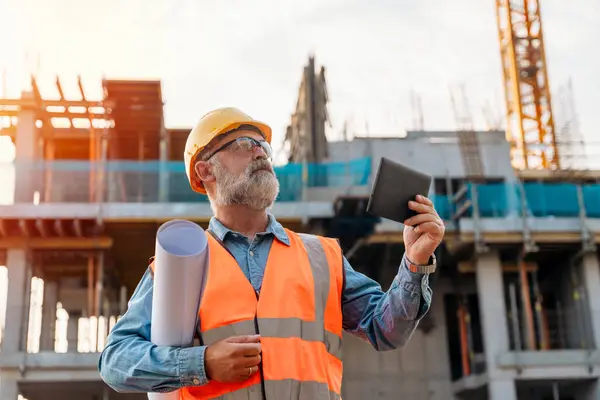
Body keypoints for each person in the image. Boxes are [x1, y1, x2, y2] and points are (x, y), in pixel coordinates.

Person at [98, 107, 445, 399]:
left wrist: (414, 263)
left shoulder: (322, 256)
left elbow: (387, 330)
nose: (261, 152)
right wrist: (201, 363)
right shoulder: (177, 266)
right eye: (245, 144)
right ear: (205, 170)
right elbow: (115, 361)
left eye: (263, 145)